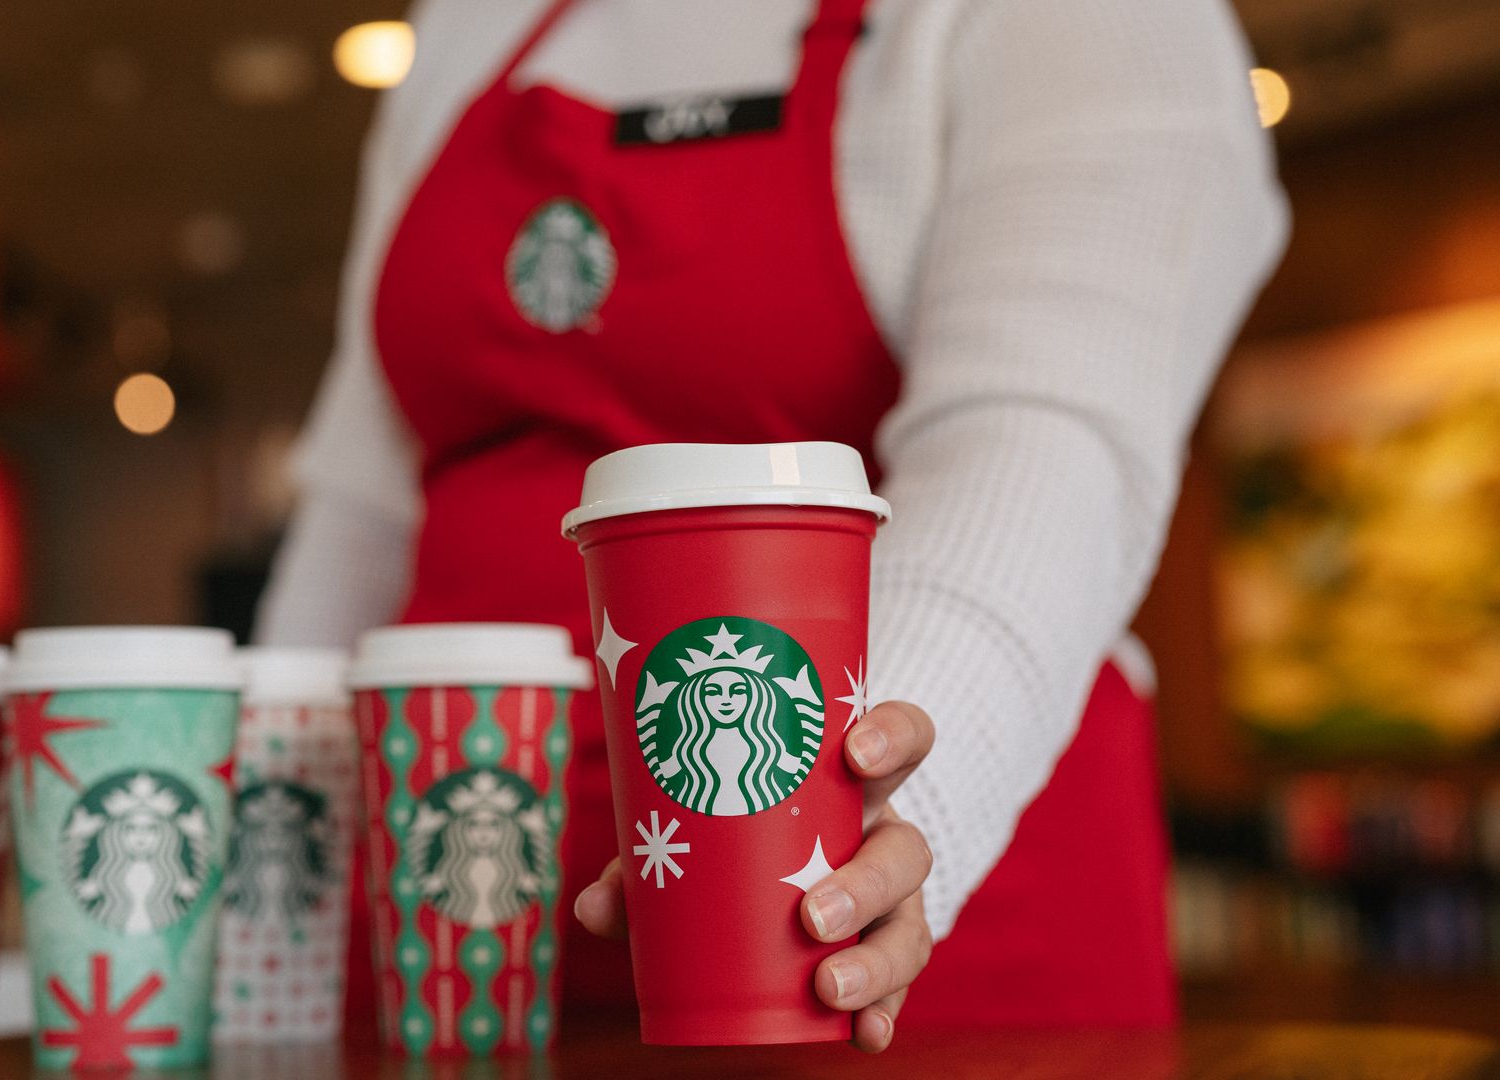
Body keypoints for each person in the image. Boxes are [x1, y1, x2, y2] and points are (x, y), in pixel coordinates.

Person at [258, 0, 1287, 1050]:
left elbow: (1043, 453)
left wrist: (861, 819)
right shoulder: (474, 24)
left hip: (881, 946)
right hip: (460, 958)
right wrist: (257, 859)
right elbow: (365, 514)